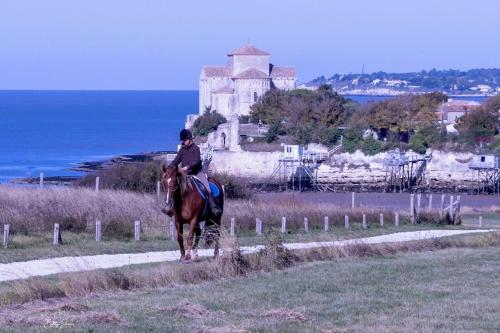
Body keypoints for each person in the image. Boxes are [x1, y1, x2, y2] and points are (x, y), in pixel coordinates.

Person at [164, 129, 221, 217]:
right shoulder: (182, 150)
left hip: (197, 173)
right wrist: (169, 168)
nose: (183, 142)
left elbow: (197, 161)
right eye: (182, 140)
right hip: (185, 175)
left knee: (208, 189)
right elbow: (176, 160)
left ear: (190, 139)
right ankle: (170, 208)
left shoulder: (196, 148)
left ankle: (213, 207)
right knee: (175, 188)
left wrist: (187, 167)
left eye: (184, 140)